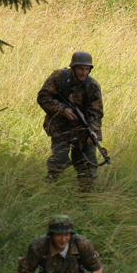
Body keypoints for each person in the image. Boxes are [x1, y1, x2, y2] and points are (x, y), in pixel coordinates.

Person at [37, 51, 104, 191]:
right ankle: (48, 187)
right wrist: (62, 110)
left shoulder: (92, 86)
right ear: (73, 67)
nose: (83, 72)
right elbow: (43, 97)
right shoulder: (58, 77)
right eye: (80, 68)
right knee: (59, 159)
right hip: (59, 127)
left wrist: (93, 131)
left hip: (83, 130)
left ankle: (86, 197)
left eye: (87, 69)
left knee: (87, 165)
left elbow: (96, 113)